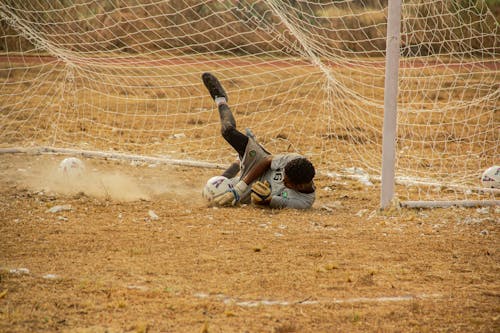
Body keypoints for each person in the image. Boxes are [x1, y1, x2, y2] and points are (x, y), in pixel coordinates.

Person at [202, 72, 316, 209]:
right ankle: (220, 99)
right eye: (283, 175)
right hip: (258, 163)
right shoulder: (293, 160)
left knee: (213, 197)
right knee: (228, 132)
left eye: (287, 181)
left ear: (300, 186)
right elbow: (267, 160)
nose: (282, 179)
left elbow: (264, 203)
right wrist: (239, 188)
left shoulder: (301, 203)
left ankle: (239, 161)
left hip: (250, 190)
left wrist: (262, 198)